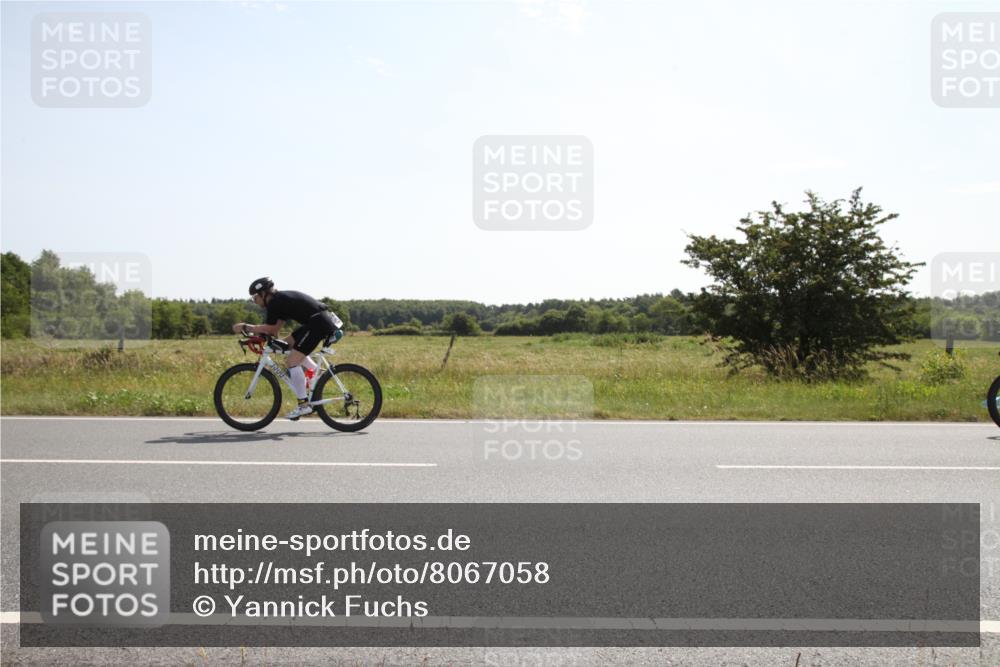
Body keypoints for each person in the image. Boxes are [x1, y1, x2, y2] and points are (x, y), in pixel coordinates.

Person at [233, 277, 341, 420]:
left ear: (263, 294)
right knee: (288, 344)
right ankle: (316, 372)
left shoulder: (275, 302)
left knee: (292, 362)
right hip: (315, 322)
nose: (255, 301)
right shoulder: (279, 300)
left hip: (317, 324)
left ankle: (304, 405)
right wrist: (257, 335)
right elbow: (275, 329)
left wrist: (247, 327)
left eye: (255, 297)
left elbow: (271, 329)